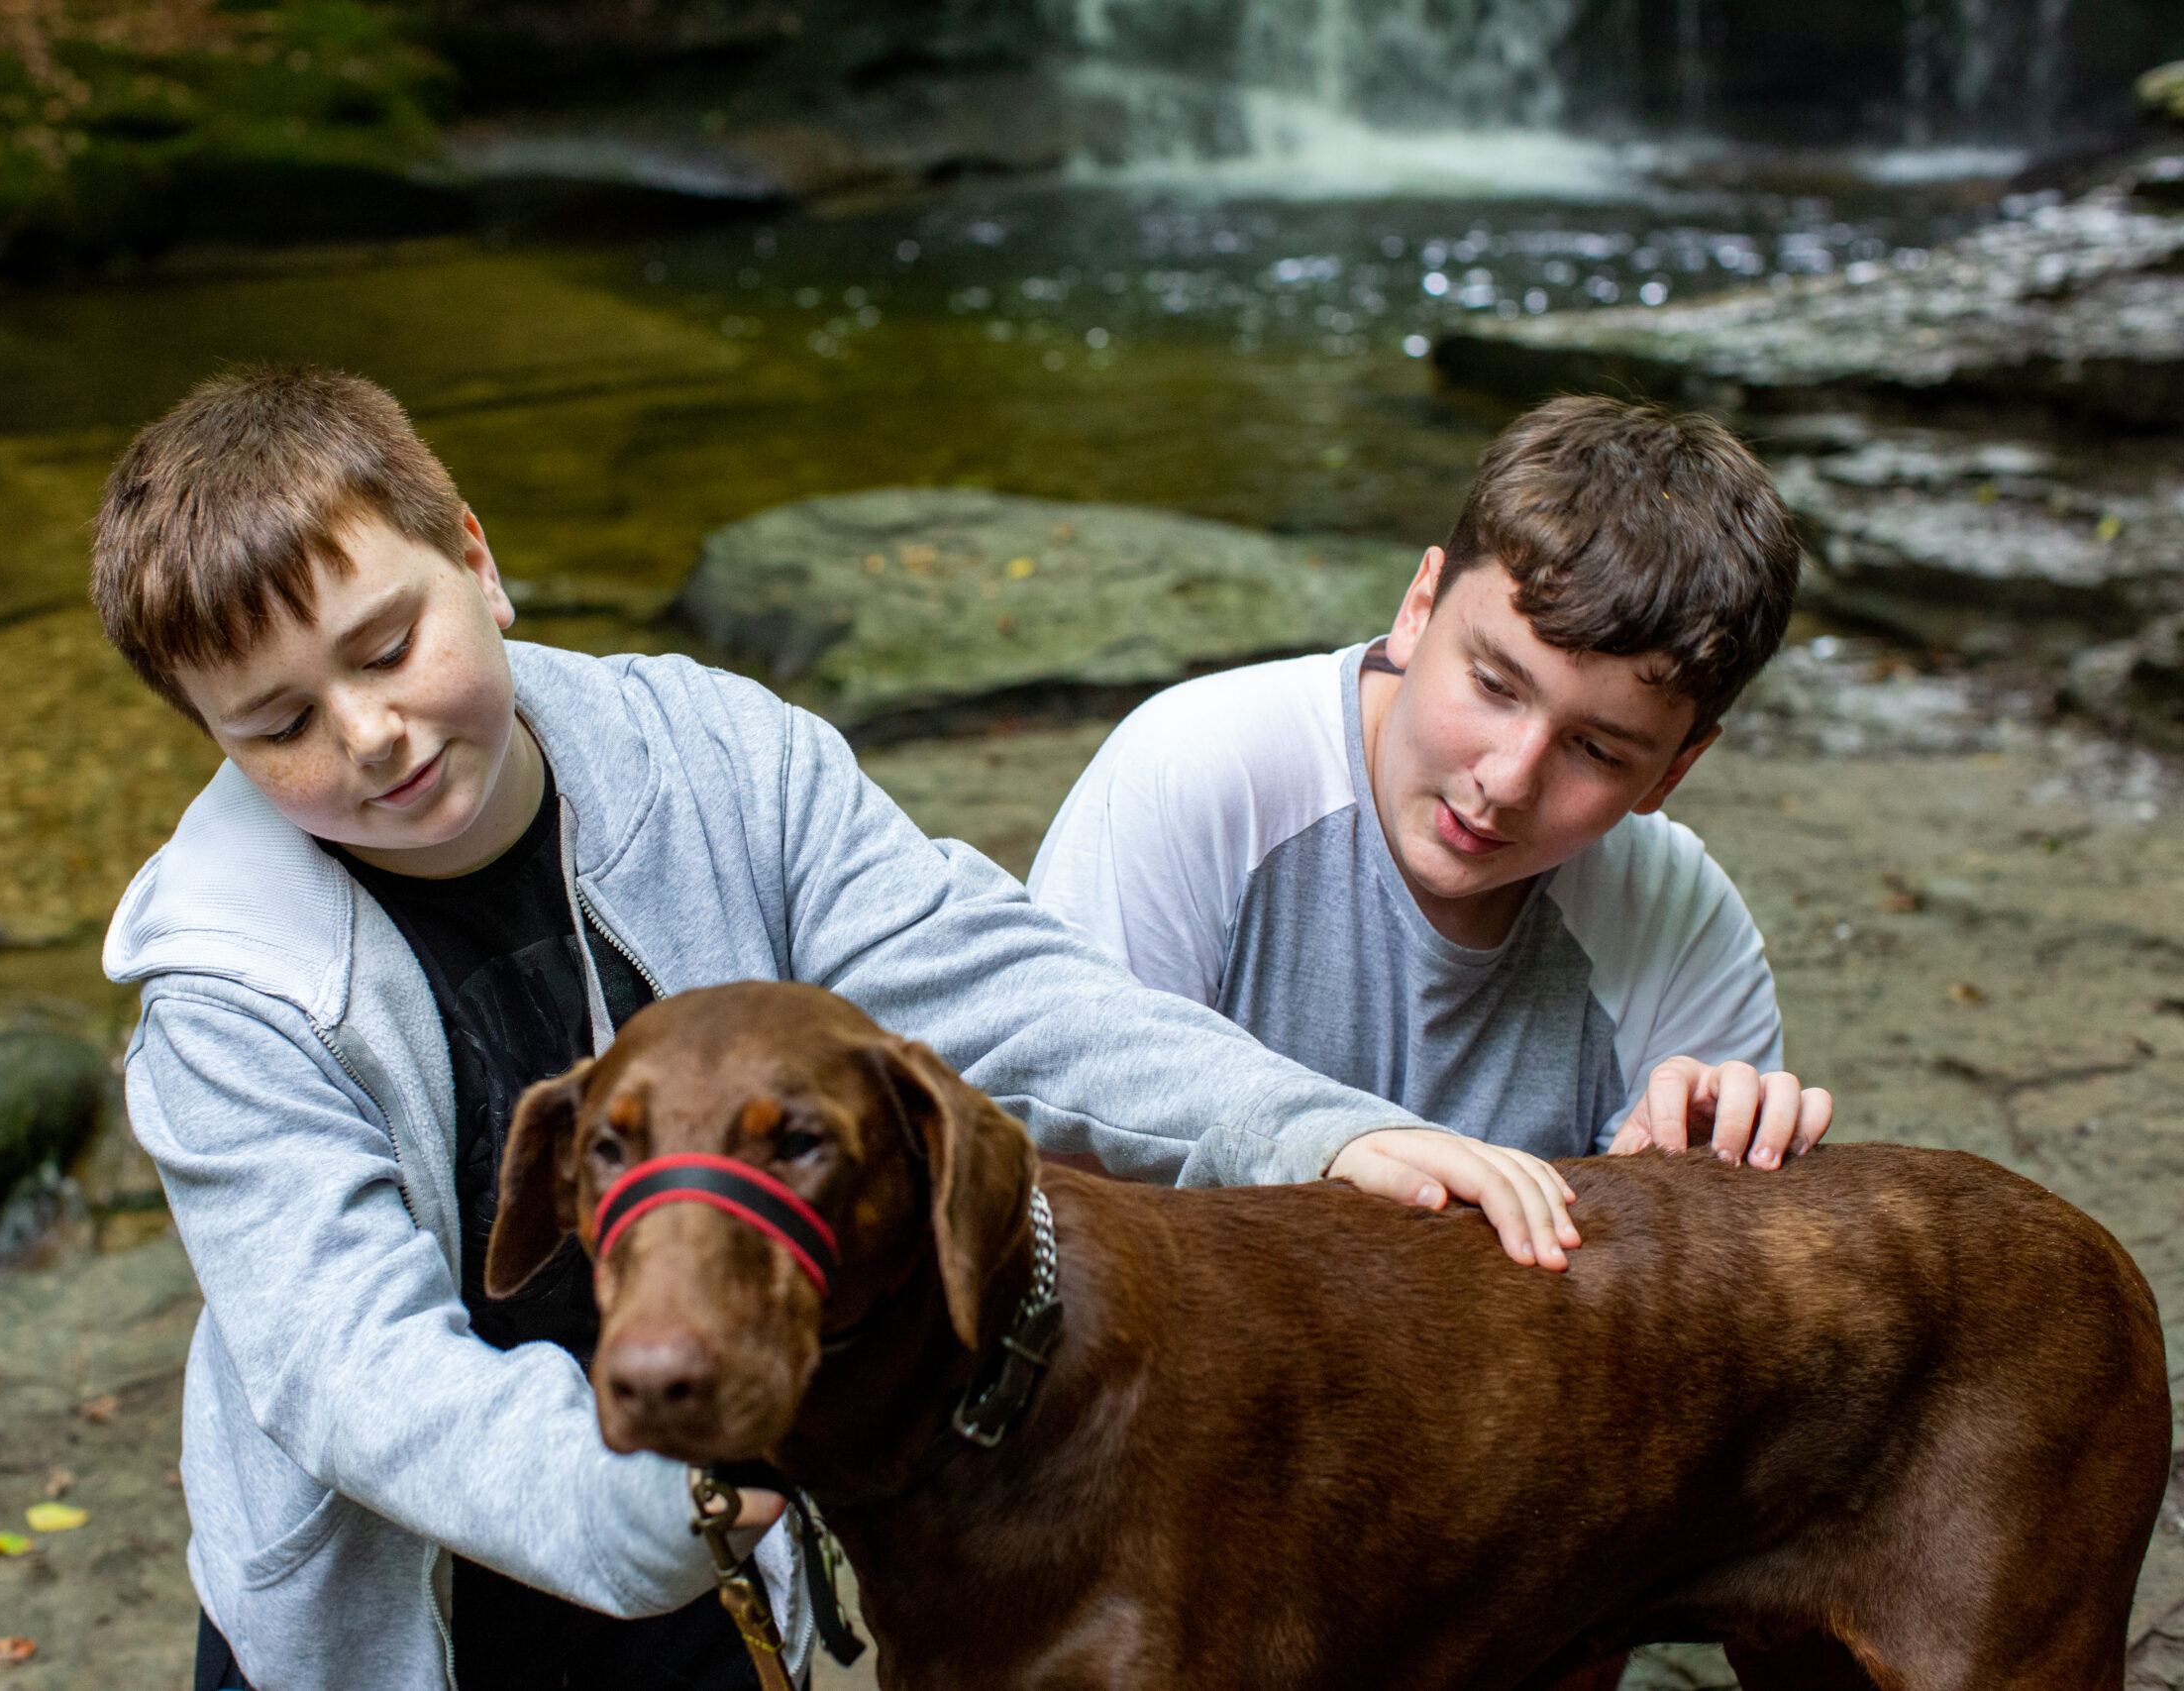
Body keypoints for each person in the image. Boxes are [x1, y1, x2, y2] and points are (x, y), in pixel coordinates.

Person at [90, 368, 1589, 1691]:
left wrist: (1312, 1127)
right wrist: (653, 1492)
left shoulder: (719, 756)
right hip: (413, 1602)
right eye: (275, 723)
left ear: (477, 559)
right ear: (209, 739)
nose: (368, 734)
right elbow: (354, 1365)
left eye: (384, 643)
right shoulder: (226, 996)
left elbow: (995, 984)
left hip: (716, 1504)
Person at [1030, 395, 1835, 1172]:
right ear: (1418, 606)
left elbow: (1676, 1293)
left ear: (1675, 769)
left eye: (1595, 749)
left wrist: (1696, 1191)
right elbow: (1047, 1176)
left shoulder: (1681, 922)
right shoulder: (1197, 774)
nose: (1508, 780)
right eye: (1493, 684)